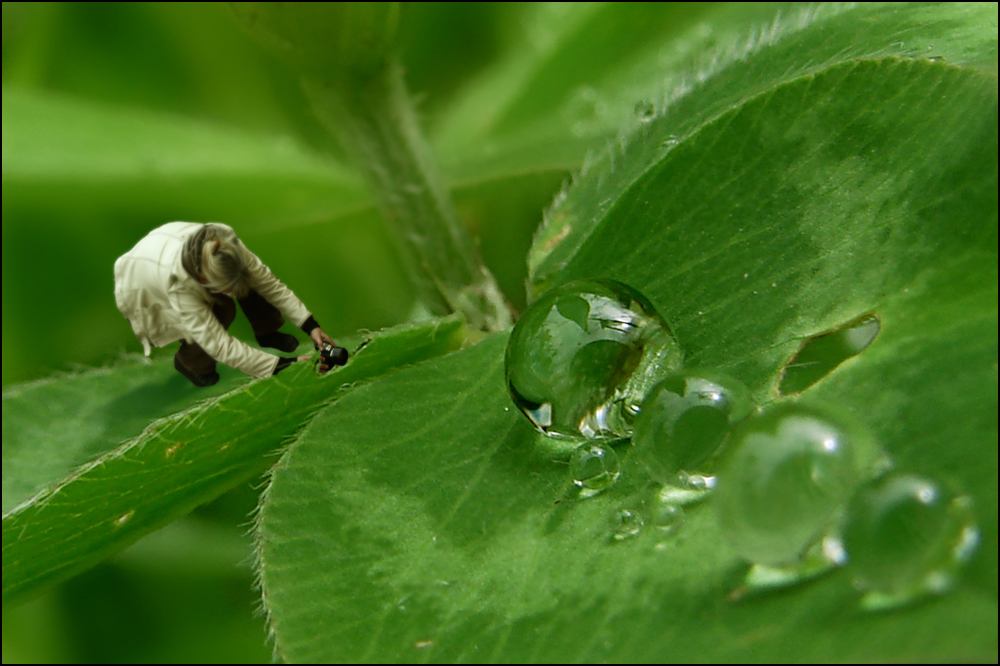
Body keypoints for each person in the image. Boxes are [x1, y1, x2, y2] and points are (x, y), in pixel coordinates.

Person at [114, 222, 336, 386]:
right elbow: (217, 343)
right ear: (203, 280)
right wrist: (280, 365)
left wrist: (310, 325)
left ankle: (267, 332)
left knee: (252, 284)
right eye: (225, 288)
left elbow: (269, 284)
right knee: (221, 311)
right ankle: (191, 363)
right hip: (146, 277)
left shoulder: (229, 248)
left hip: (168, 241)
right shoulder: (178, 286)